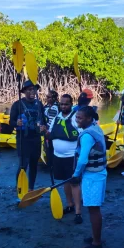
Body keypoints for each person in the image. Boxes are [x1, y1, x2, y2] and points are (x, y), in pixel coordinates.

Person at [72, 106, 107, 248]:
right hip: (100, 173)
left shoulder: (87, 136)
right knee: (94, 208)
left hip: (92, 176)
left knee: (93, 209)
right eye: (77, 117)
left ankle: (97, 243)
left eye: (80, 118)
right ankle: (95, 236)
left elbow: (83, 160)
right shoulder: (96, 128)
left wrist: (75, 175)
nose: (77, 119)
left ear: (88, 118)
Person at [48, 94, 83, 224]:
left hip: (71, 157)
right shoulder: (56, 117)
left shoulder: (75, 117)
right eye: (61, 104)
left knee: (74, 182)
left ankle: (78, 212)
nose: (63, 106)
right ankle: (70, 204)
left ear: (71, 104)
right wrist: (44, 131)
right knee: (65, 182)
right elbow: (50, 134)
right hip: (58, 156)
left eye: (66, 104)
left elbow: (82, 135)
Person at [10, 80, 46, 191]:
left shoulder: (39, 104)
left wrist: (44, 127)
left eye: (34, 89)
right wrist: (17, 123)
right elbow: (11, 122)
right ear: (24, 91)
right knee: (23, 165)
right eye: (29, 89)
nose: (32, 92)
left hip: (35, 138)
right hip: (23, 139)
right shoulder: (17, 104)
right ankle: (20, 187)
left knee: (34, 164)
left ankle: (31, 188)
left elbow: (44, 121)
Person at [44, 89, 60, 166]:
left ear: (53, 98)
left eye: (48, 97)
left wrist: (49, 131)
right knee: (48, 148)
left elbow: (54, 120)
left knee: (52, 148)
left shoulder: (57, 107)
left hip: (53, 131)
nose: (47, 98)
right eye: (47, 96)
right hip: (47, 130)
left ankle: (53, 164)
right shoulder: (46, 106)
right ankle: (50, 164)